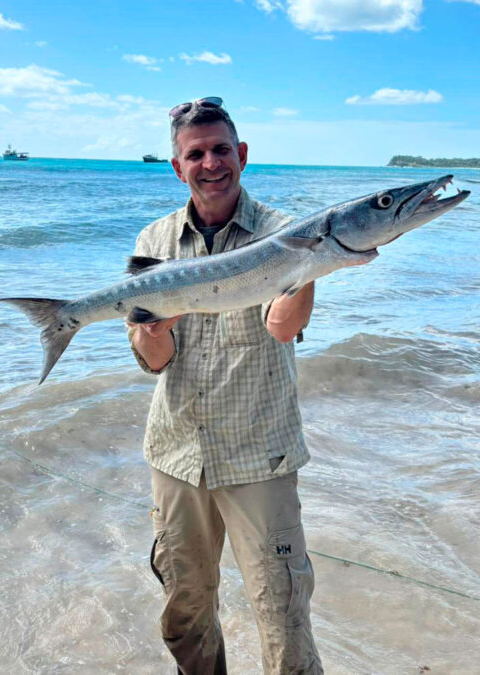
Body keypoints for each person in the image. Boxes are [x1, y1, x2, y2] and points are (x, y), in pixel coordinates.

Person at [127, 97, 336, 674]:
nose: (211, 163)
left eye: (221, 149)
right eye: (195, 154)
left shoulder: (285, 235)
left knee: (283, 614)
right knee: (185, 610)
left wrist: (308, 265)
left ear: (242, 154)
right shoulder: (154, 241)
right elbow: (154, 360)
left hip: (259, 456)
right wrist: (153, 328)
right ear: (178, 167)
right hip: (176, 453)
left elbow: (282, 327)